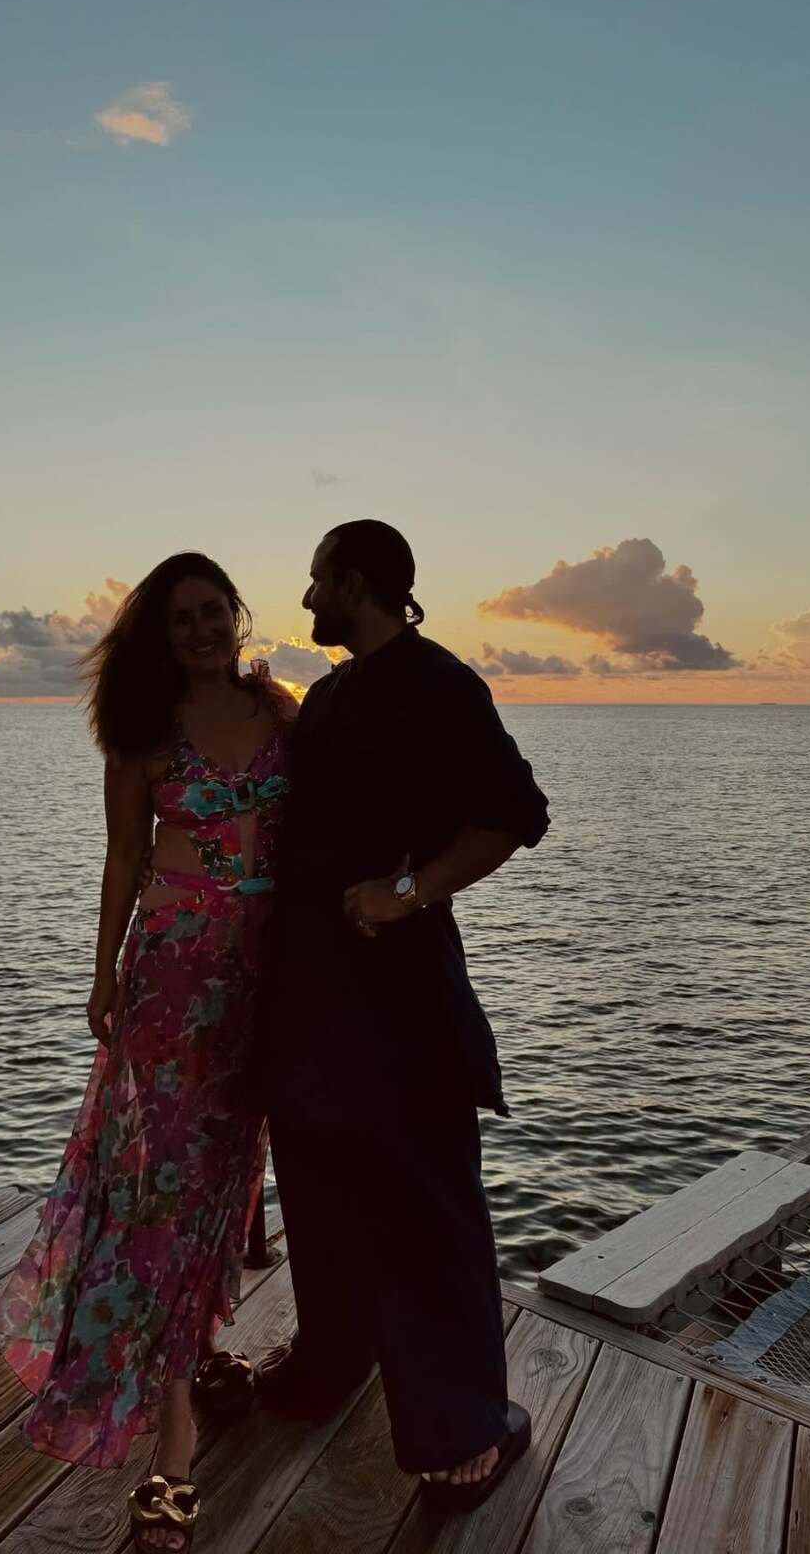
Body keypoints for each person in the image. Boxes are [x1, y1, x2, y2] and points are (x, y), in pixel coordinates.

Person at [0, 552, 294, 1552]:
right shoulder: (143, 736)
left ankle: (191, 1349)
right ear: (160, 638)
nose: (201, 629)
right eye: (181, 620)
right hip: (168, 986)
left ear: (236, 614)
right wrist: (103, 973)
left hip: (254, 991)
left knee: (220, 1187)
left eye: (212, 611)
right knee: (155, 1196)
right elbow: (123, 853)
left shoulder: (279, 710)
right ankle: (172, 1440)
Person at [251, 520, 549, 1512]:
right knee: (320, 1184)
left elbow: (511, 812)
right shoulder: (330, 694)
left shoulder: (438, 683)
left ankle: (459, 1425)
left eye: (315, 584)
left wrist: (407, 890)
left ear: (357, 581)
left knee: (426, 1203)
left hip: (395, 985)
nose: (305, 604)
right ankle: (328, 1361)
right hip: (304, 991)